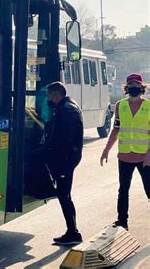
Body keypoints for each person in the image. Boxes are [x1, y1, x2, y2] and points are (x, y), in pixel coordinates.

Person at [100, 73, 150, 230]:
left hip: (144, 157)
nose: (134, 88)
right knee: (123, 190)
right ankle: (122, 221)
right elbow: (116, 129)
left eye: (137, 85)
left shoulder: (148, 106)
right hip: (125, 156)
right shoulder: (120, 105)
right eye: (131, 85)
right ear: (126, 88)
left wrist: (149, 156)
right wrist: (106, 149)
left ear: (142, 88)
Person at [44, 81, 84, 245]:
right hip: (68, 157)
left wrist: (46, 151)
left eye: (49, 96)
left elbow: (61, 138)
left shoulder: (65, 111)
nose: (48, 99)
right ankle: (72, 231)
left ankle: (73, 232)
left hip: (65, 159)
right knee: (64, 194)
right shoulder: (68, 106)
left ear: (56, 95)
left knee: (64, 195)